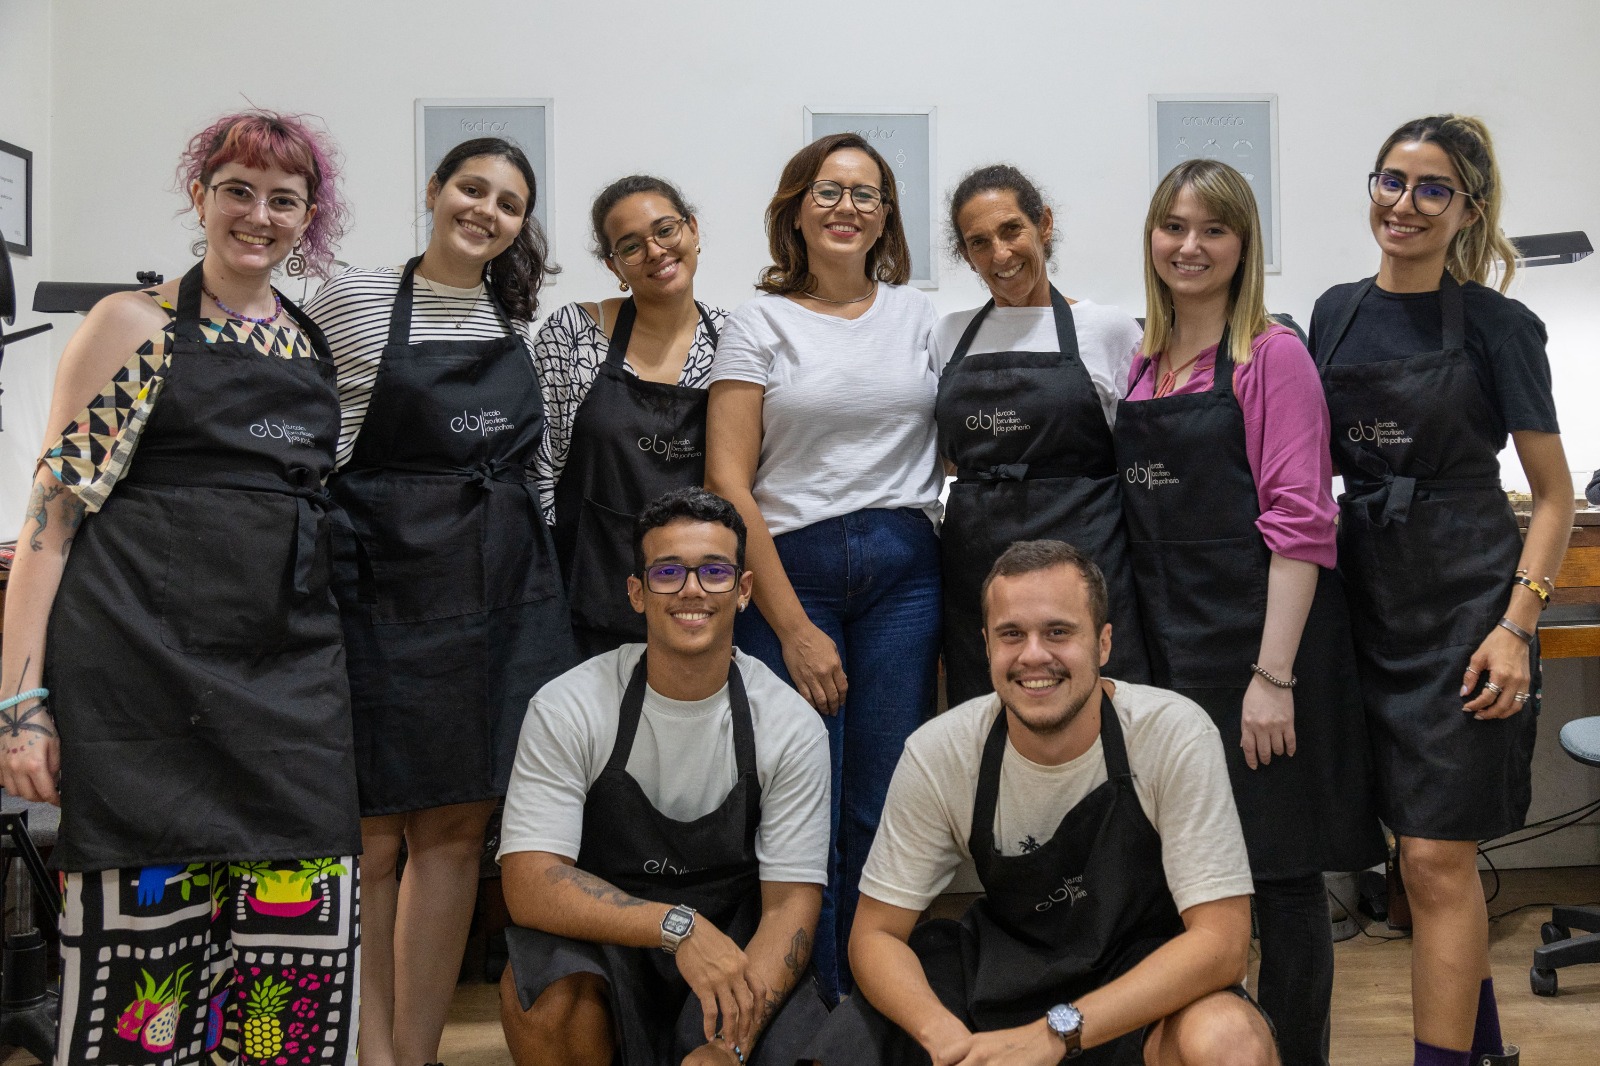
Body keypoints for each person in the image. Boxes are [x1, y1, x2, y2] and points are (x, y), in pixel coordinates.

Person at [0, 110, 360, 1066]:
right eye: (237, 190)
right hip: (141, 687)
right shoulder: (137, 324)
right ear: (200, 197)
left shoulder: (311, 348)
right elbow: (52, 517)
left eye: (284, 199)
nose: (258, 215)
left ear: (307, 218)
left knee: (295, 984)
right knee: (136, 995)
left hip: (290, 694)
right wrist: (21, 704)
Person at [304, 136, 576, 1066]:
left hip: (494, 588)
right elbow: (310, 437)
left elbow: (534, 469)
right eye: (472, 188)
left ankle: (414, 1055)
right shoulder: (356, 296)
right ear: (433, 190)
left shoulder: (516, 319)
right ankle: (368, 1052)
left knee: (456, 833)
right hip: (377, 580)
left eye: (507, 203)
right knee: (375, 839)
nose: (486, 211)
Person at [1308, 114, 1573, 1066]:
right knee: (1415, 864)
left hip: (1467, 606)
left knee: (1433, 856)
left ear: (1467, 210)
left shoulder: (1501, 327)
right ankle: (1483, 1050)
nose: (1404, 204)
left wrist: (1517, 625)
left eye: (1431, 189)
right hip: (1363, 603)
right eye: (1391, 181)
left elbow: (1551, 494)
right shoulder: (1331, 313)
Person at [807, 540, 1278, 1066]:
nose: (1033, 654)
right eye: (1012, 635)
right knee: (846, 1044)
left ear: (1103, 644)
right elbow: (874, 936)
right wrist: (942, 1036)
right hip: (999, 982)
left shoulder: (1174, 734)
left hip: (1141, 991)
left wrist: (1054, 1034)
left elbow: (1222, 942)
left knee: (1229, 1039)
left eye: (1058, 632)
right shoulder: (940, 753)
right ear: (986, 646)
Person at [1112, 159, 1385, 1066]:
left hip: (1264, 655)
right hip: (1173, 657)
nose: (1190, 247)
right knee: (1195, 880)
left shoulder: (1273, 356)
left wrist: (1272, 678)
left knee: (1282, 877)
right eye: (1174, 227)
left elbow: (1303, 526)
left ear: (1243, 245)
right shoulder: (1144, 367)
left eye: (1213, 230)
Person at [705, 132, 944, 1000]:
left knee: (881, 805)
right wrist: (793, 629)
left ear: (886, 217)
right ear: (796, 209)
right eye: (829, 191)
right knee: (804, 804)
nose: (848, 207)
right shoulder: (756, 322)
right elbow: (729, 484)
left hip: (907, 575)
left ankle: (869, 1012)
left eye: (867, 194)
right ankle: (814, 1008)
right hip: (790, 572)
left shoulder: (924, 316)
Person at [497, 487, 831, 1066]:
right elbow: (529, 883)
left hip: (733, 956)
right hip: (609, 948)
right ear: (637, 592)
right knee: (548, 1002)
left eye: (715, 572)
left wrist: (730, 1044)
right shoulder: (568, 706)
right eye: (669, 572)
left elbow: (789, 909)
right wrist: (677, 926)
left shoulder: (791, 726)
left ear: (744, 590)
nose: (692, 590)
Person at [934, 163, 1149, 705]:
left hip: (1088, 556)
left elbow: (1139, 457)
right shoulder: (950, 333)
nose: (1000, 255)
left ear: (1043, 224)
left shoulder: (1109, 329)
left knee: (1097, 717)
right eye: (979, 242)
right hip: (978, 567)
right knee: (985, 723)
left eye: (1011, 230)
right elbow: (945, 455)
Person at [534, 175, 728, 656]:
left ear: (694, 230)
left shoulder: (734, 341)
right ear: (614, 264)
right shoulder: (577, 332)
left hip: (703, 596)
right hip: (590, 593)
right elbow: (539, 473)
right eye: (631, 246)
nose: (656, 250)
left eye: (666, 230)